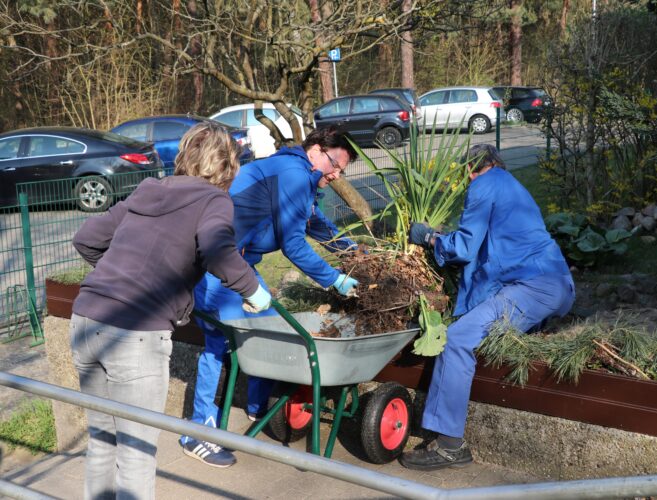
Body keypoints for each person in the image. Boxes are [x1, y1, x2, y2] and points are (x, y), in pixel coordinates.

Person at [69, 122, 272, 500]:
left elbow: (87, 238)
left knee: (102, 441)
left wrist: (117, 279)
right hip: (136, 334)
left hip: (86, 321)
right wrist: (256, 293)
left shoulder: (149, 189)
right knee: (136, 452)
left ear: (184, 156)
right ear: (228, 166)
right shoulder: (214, 200)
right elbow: (218, 251)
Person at [180, 126, 360, 467]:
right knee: (222, 343)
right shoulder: (293, 173)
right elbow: (293, 245)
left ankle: (257, 406)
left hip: (236, 264)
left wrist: (354, 252)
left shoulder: (295, 173)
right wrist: (335, 279)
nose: (337, 175)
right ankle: (198, 433)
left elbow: (312, 221)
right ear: (316, 151)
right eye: (336, 164)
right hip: (217, 266)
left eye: (342, 171)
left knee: (262, 329)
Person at [399, 143, 575, 471]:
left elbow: (466, 248)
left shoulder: (483, 184)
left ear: (471, 169)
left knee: (457, 339)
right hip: (556, 284)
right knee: (479, 327)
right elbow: (493, 248)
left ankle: (450, 446)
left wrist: (429, 239)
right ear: (497, 161)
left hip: (533, 288)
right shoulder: (513, 184)